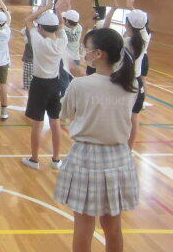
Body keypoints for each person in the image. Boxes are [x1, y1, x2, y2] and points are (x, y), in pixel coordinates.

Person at [55, 28, 139, 252]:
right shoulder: (130, 85)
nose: (85, 52)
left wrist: (78, 78)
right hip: (119, 156)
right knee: (113, 227)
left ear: (99, 54)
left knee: (83, 227)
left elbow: (65, 113)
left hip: (86, 157)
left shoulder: (80, 85)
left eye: (87, 49)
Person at [22, 0, 69, 171]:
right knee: (55, 122)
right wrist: (58, 10)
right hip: (55, 84)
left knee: (38, 123)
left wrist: (47, 7)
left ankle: (34, 159)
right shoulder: (62, 41)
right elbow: (61, 26)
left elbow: (28, 20)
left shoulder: (39, 41)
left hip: (39, 85)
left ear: (40, 28)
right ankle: (56, 160)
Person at [103, 0, 150, 150]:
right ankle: (128, 150)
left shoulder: (124, 42)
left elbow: (105, 31)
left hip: (121, 82)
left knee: (115, 116)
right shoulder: (144, 38)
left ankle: (113, 145)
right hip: (136, 83)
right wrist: (131, 7)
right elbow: (140, 24)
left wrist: (113, 10)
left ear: (127, 24)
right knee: (133, 118)